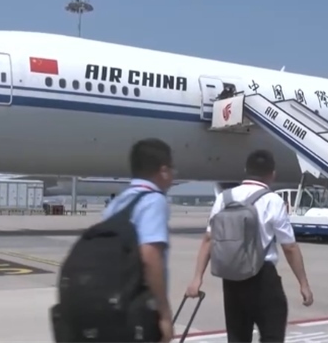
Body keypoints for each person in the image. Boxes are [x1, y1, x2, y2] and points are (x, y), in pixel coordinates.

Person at [186, 150, 313, 343]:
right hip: (263, 278)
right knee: (272, 335)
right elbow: (289, 247)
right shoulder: (273, 201)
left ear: (246, 170)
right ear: (272, 174)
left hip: (232, 280)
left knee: (237, 338)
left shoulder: (224, 198)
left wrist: (197, 279)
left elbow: (208, 240)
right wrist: (303, 284)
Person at [97, 139, 175, 342]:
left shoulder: (117, 203)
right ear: (164, 171)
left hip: (113, 305)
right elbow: (150, 256)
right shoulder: (154, 200)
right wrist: (164, 313)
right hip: (138, 309)